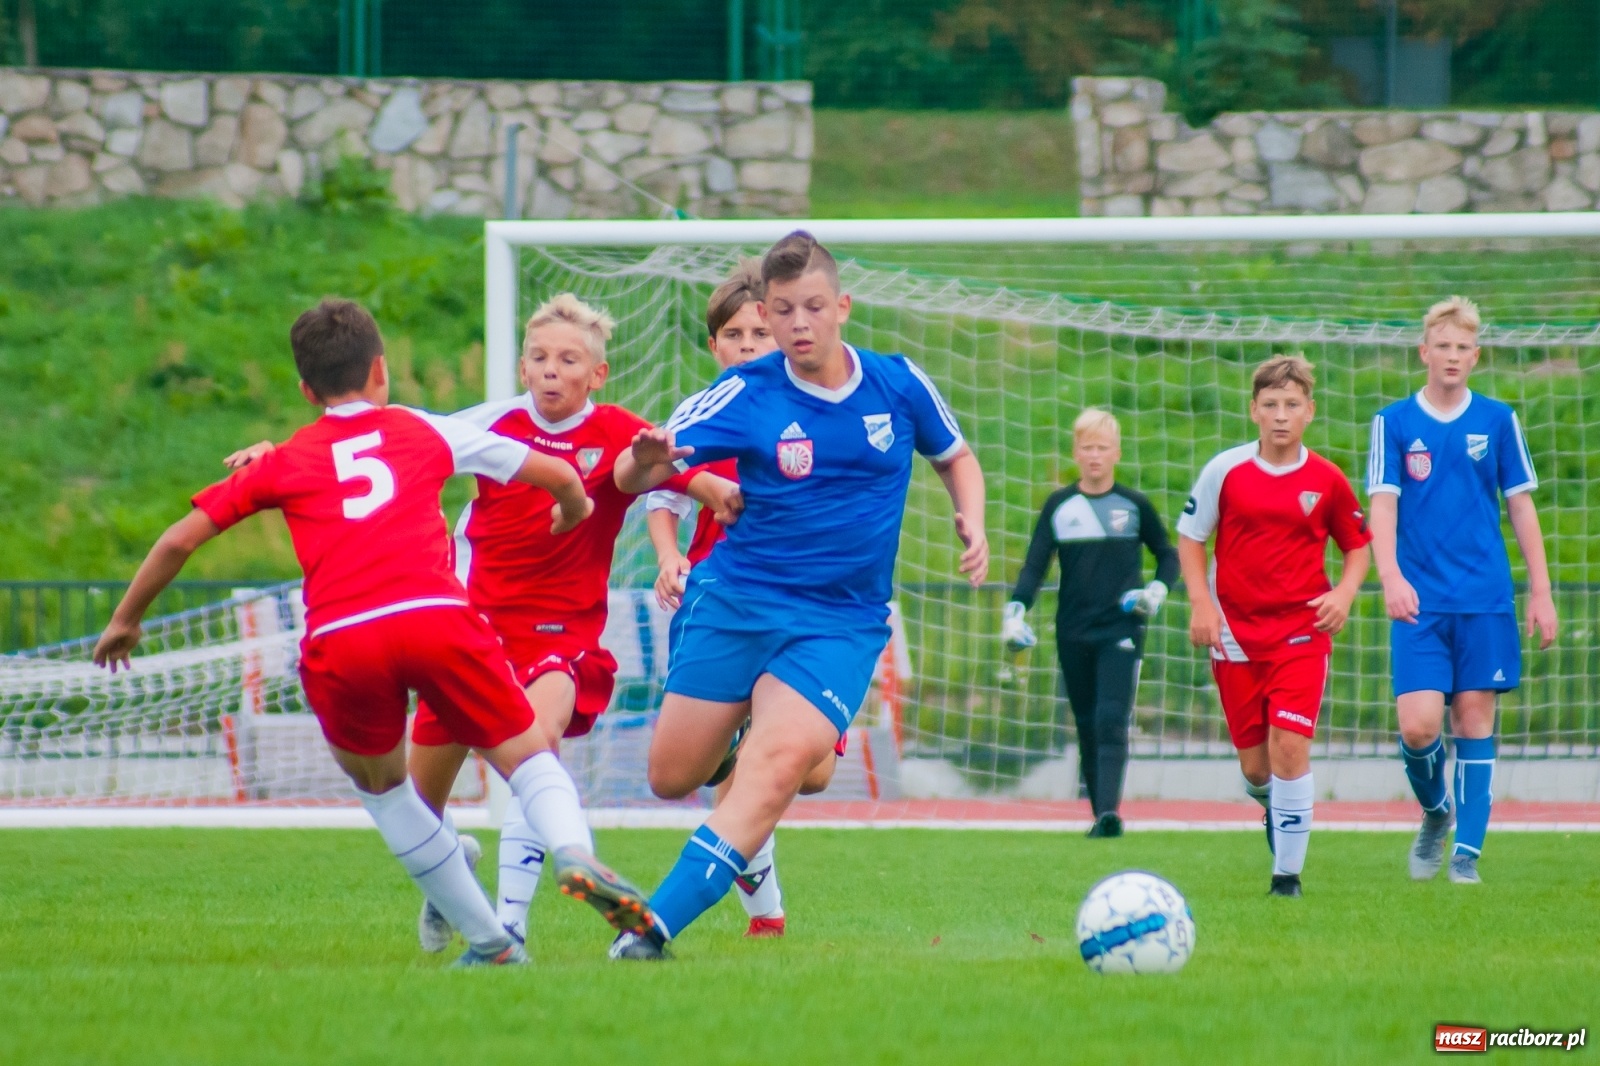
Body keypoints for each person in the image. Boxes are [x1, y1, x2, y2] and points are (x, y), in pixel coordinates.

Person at [94, 298, 655, 965]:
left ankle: (492, 944)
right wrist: (573, 507)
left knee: (390, 795)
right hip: (440, 620)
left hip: (345, 637)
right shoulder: (421, 430)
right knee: (530, 758)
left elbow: (177, 542)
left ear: (307, 390)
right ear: (381, 370)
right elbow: (559, 472)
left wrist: (125, 622)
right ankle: (572, 851)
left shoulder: (288, 458)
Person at [610, 230, 989, 959]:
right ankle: (752, 737)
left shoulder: (897, 383)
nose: (798, 324)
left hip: (840, 622)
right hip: (738, 603)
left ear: (842, 305)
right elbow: (636, 477)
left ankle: (651, 927)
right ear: (769, 313)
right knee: (670, 775)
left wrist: (969, 512)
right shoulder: (747, 393)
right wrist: (647, 461)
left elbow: (956, 456)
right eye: (783, 311)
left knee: (780, 767)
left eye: (813, 307)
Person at [642, 260, 835, 938]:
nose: (749, 344)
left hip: (804, 611)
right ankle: (766, 918)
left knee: (812, 775)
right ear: (714, 345)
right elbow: (660, 495)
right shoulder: (702, 416)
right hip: (718, 604)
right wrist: (670, 559)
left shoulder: (818, 410)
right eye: (734, 333)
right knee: (736, 766)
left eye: (760, 330)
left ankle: (761, 899)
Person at [1366, 296, 1556, 885]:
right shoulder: (1393, 422)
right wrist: (1392, 577)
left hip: (1484, 598)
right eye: (1441, 346)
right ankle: (1436, 812)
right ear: (1424, 352)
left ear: (1476, 356)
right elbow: (1382, 507)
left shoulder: (1498, 420)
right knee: (1420, 726)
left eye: (1462, 347)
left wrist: (1541, 591)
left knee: (1475, 723)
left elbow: (1520, 505)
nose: (1451, 356)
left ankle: (1466, 858)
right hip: (1419, 602)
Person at [1176, 354, 1371, 898]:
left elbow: (1357, 546)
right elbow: (1191, 538)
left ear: (1309, 411)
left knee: (1290, 749)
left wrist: (1344, 593)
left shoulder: (1326, 479)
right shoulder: (1226, 470)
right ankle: (1276, 809)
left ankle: (1286, 877)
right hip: (1235, 636)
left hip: (1301, 634)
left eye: (1291, 405)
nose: (1281, 415)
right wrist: (1201, 603)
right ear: (1253, 411)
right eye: (1270, 405)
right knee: (1258, 769)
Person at [1001, 408, 1178, 838]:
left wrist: (1155, 592)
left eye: (1102, 447)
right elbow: (1034, 565)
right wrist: (1015, 611)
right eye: (1087, 448)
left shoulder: (1134, 505)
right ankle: (1100, 813)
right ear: (1076, 453)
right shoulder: (1060, 506)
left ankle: (1108, 814)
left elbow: (1168, 556)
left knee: (1110, 718)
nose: (1095, 455)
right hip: (1072, 631)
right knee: (1085, 722)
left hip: (1121, 629)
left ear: (1116, 453)